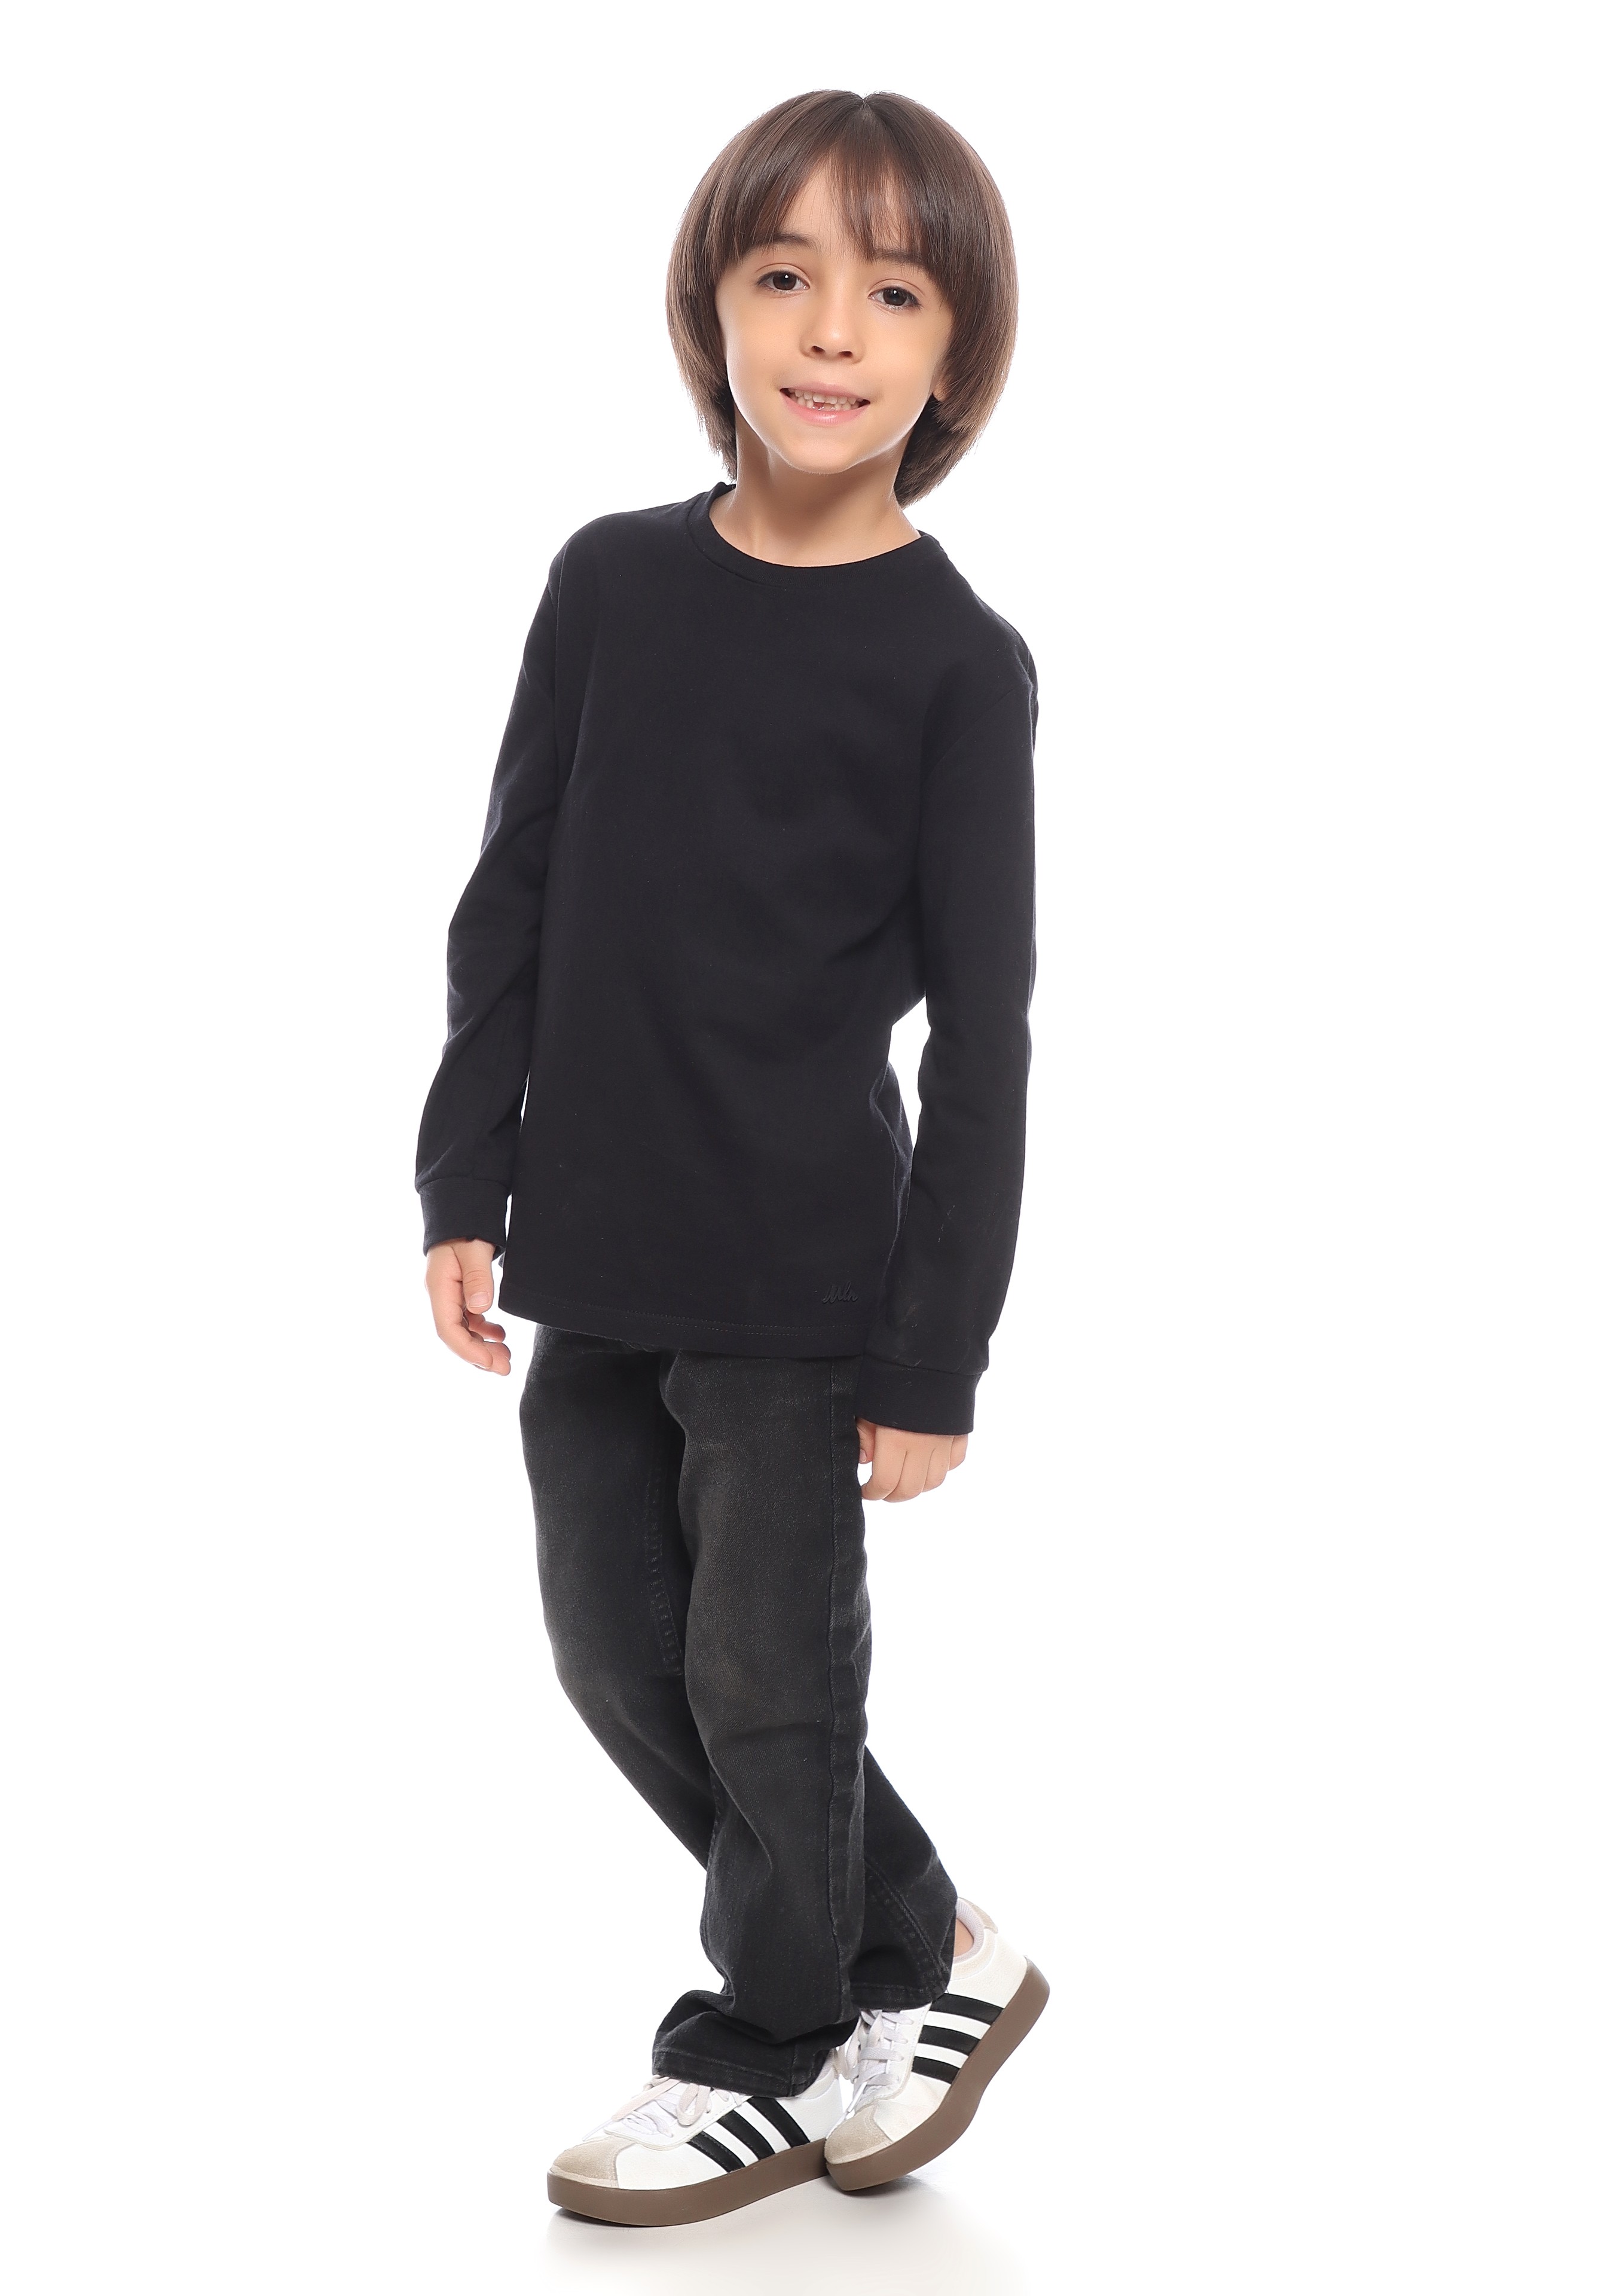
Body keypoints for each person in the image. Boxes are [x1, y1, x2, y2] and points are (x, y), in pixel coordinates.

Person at [416, 87, 1046, 2227]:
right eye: (784, 275)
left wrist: (933, 1356)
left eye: (894, 293)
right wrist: (461, 1176)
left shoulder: (958, 666)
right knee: (618, 1656)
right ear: (713, 309)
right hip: (592, 1244)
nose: (830, 331)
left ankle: (765, 2042)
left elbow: (986, 1042)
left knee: (771, 1686)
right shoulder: (609, 584)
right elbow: (511, 892)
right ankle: (926, 1940)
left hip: (799, 1279)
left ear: (953, 357)